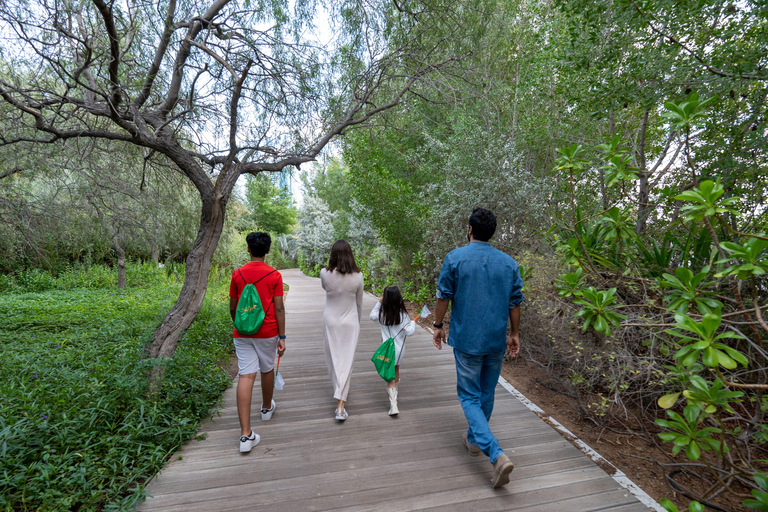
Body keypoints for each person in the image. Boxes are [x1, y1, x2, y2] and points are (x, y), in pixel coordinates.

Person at [432, 208, 524, 488]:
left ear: (470, 229)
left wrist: (437, 325)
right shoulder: (509, 264)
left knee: (470, 396)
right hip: (495, 340)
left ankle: (495, 455)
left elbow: (443, 296)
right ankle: (473, 440)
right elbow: (515, 301)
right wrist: (515, 333)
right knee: (486, 392)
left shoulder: (455, 258)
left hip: (468, 339)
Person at [229, 232, 286, 453]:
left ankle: (245, 435)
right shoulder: (274, 276)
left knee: (245, 375)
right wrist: (282, 337)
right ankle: (265, 408)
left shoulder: (237, 274)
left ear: (248, 249)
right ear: (268, 250)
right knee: (267, 368)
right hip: (268, 330)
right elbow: (279, 307)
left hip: (242, 332)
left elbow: (233, 307)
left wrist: (241, 325)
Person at [320, 239, 364, 421]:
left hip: (330, 320)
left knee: (333, 360)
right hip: (350, 322)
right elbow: (359, 303)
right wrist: (358, 322)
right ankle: (340, 406)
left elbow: (326, 289)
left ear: (333, 254)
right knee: (347, 361)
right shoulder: (358, 276)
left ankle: (339, 399)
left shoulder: (324, 273)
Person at [369, 286, 416, 416]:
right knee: (395, 369)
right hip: (399, 349)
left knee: (390, 376)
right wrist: (412, 322)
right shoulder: (403, 315)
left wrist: (379, 302)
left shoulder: (382, 314)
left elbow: (371, 316)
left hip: (387, 350)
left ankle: (393, 405)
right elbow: (409, 332)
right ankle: (394, 390)